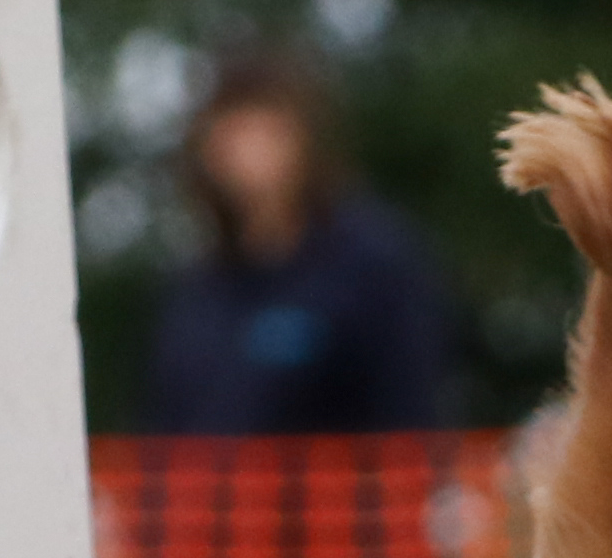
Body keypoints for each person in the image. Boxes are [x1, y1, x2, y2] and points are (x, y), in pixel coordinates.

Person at [148, 49, 457, 438]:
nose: (247, 147)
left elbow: (410, 419)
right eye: (231, 125)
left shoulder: (372, 265)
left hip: (349, 495)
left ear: (303, 136)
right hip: (208, 497)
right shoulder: (195, 290)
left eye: (264, 124)